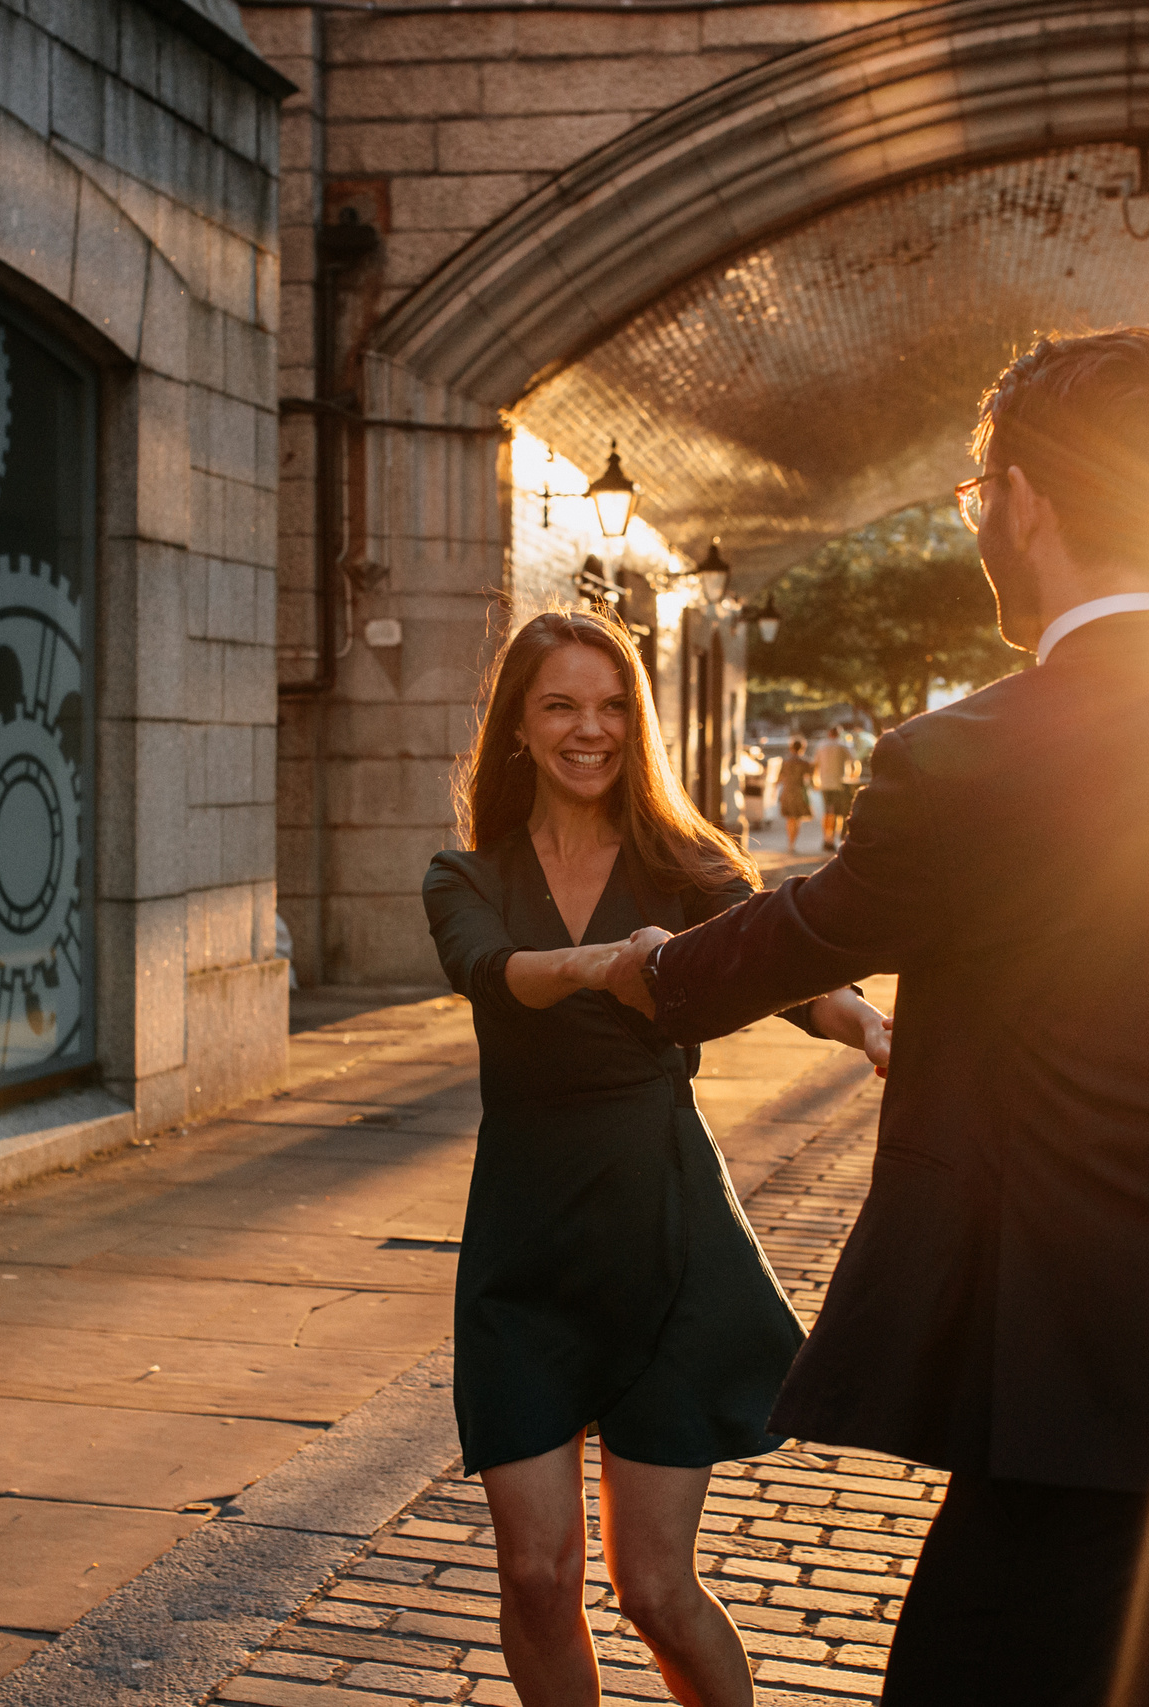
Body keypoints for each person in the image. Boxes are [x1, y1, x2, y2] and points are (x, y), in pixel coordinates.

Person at [604, 328, 1149, 1706]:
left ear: (1026, 499)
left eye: (981, 496)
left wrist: (649, 970)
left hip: (1064, 1356)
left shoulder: (970, 754)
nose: (983, 524)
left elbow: (816, 926)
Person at [423, 608, 893, 1707]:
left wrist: (864, 1023)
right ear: (517, 730)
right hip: (525, 1249)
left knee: (654, 1589)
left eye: (610, 706)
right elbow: (496, 974)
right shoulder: (465, 874)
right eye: (560, 706)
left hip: (665, 1235)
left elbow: (778, 963)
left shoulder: (683, 867)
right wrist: (610, 968)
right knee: (536, 1577)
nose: (589, 730)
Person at [809, 724, 855, 849]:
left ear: (829, 734)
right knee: (837, 813)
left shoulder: (821, 746)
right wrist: (852, 777)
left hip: (825, 783)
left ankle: (826, 838)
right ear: (839, 734)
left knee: (827, 811)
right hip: (840, 783)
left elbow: (814, 764)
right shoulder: (843, 745)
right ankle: (834, 838)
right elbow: (854, 763)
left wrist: (814, 781)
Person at [775, 734, 813, 851]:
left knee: (789, 818)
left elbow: (779, 778)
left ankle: (790, 842)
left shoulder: (785, 761)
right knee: (797, 819)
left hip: (787, 790)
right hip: (799, 791)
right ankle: (793, 841)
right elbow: (811, 779)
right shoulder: (805, 762)